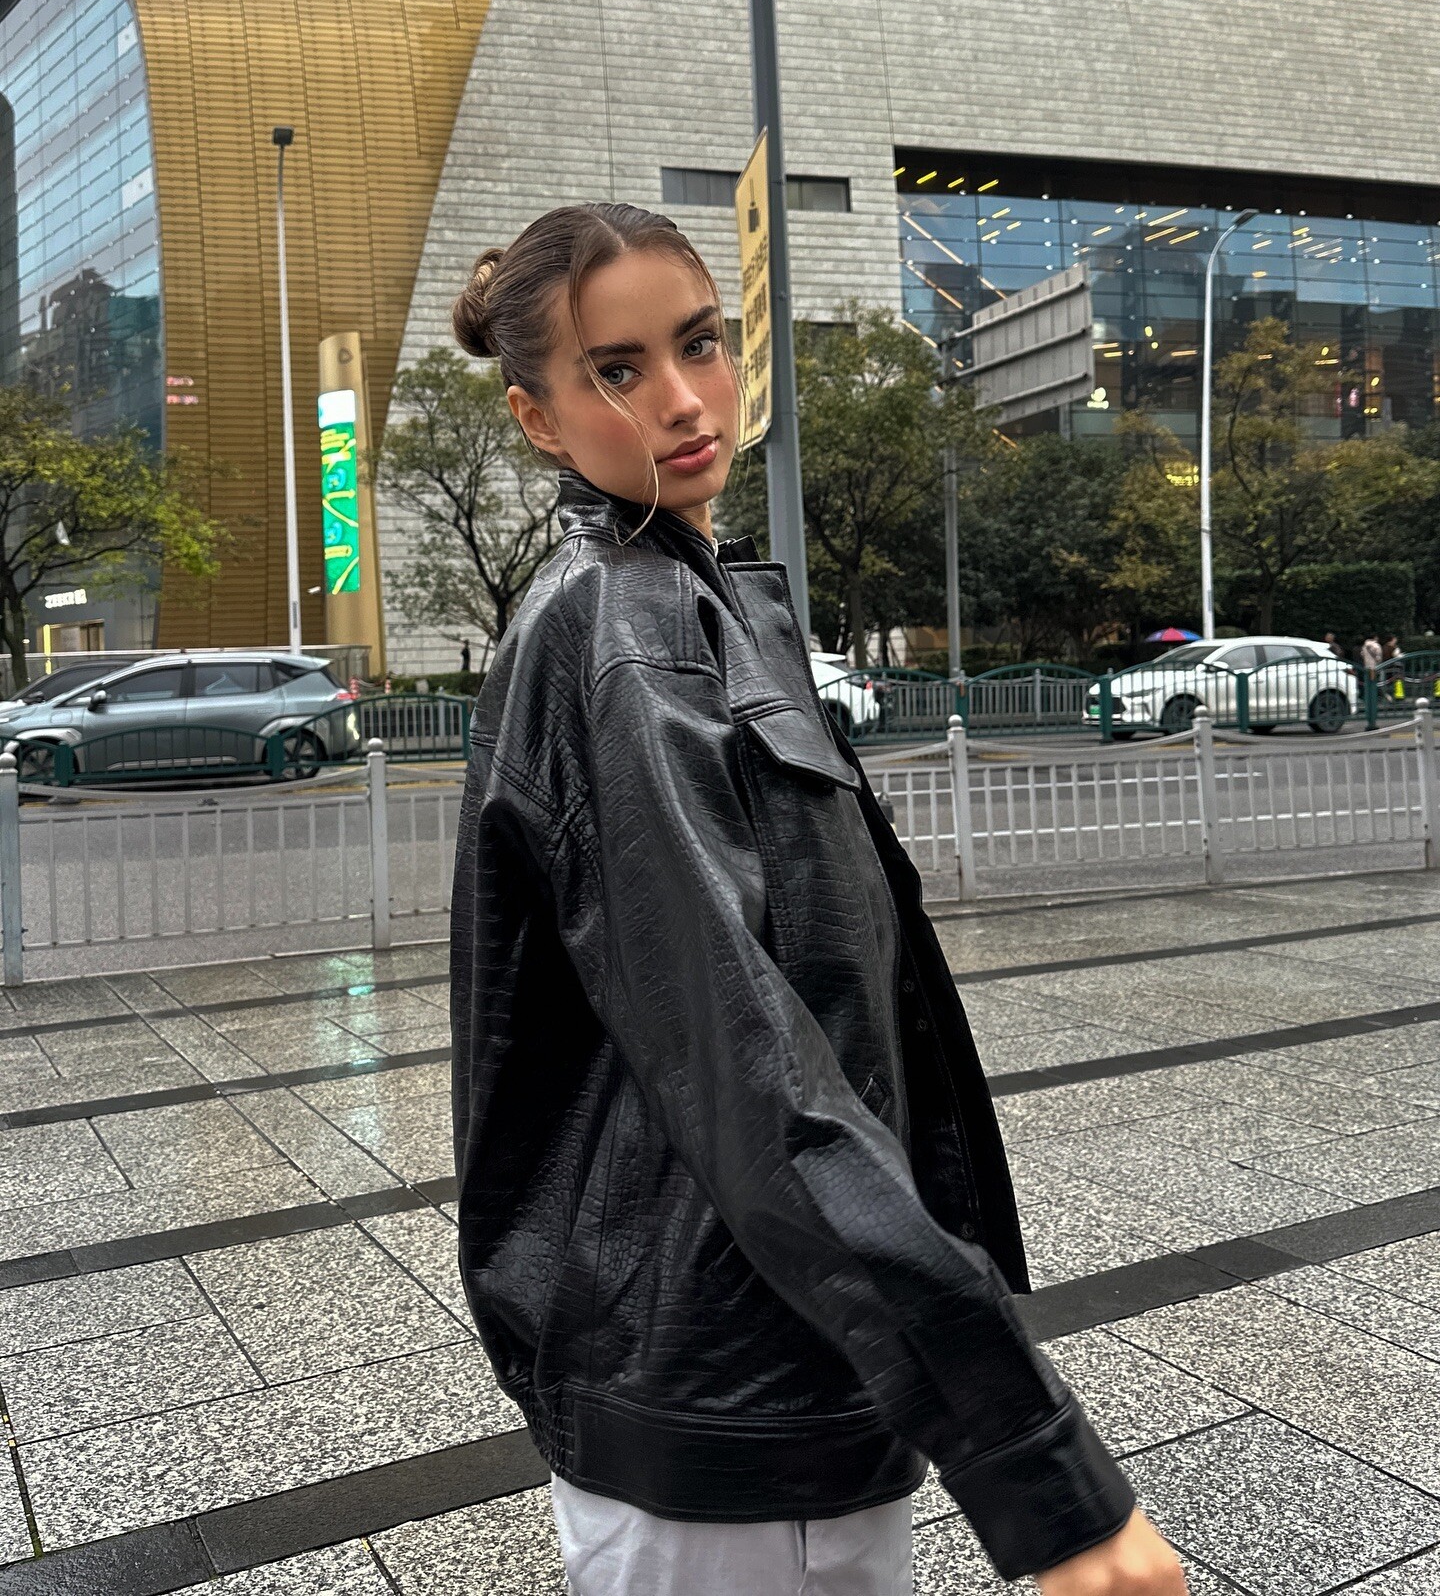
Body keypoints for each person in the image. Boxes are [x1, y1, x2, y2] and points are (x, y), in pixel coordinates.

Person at [448, 203, 1187, 1596]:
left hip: (763, 1352)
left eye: (700, 344)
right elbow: (751, 1068)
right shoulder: (626, 631)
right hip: (732, 1386)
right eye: (617, 370)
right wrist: (1048, 1487)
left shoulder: (695, 599)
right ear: (537, 417)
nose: (684, 400)